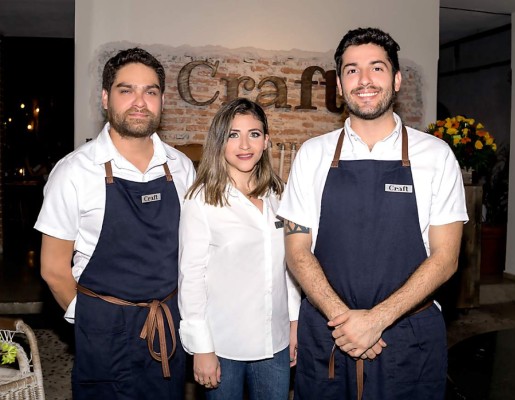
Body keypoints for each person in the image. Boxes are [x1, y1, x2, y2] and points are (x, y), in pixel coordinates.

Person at [277, 27, 468, 400]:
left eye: (376, 68)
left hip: (407, 340)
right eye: (351, 70)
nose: (363, 80)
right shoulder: (312, 155)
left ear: (396, 80)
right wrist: (347, 323)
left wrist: (376, 320)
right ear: (339, 86)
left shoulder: (436, 155)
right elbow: (296, 250)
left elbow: (446, 258)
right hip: (330, 335)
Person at [34, 47, 196, 400]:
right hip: (103, 332)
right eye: (127, 90)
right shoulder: (74, 171)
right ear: (106, 98)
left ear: (162, 101)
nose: (140, 101)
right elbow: (52, 268)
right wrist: (92, 320)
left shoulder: (182, 167)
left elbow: (194, 252)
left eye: (150, 92)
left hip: (166, 328)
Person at [178, 97, 300, 400]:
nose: (245, 144)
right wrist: (201, 347)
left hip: (276, 342)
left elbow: (290, 266)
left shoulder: (279, 195)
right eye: (233, 134)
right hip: (223, 344)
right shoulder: (200, 199)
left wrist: (295, 324)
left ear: (266, 140)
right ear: (220, 141)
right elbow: (191, 278)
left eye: (254, 134)